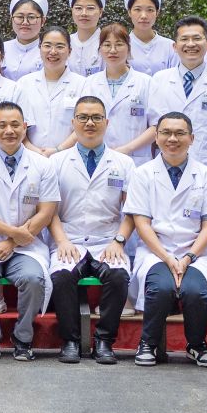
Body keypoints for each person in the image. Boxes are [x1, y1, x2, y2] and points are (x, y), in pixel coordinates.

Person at [123, 111, 207, 368]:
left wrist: (187, 258)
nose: (172, 139)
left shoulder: (206, 175)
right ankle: (148, 343)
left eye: (180, 133)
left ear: (192, 138)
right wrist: (168, 258)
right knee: (160, 288)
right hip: (156, 250)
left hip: (196, 252)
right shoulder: (143, 173)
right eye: (166, 133)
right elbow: (142, 224)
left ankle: (196, 344)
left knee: (195, 291)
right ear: (156, 137)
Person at [0, 101, 58, 361]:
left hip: (28, 245)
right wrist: (12, 234)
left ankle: (23, 338)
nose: (9, 130)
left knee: (33, 278)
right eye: (3, 125)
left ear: (25, 127)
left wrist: (12, 242)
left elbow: (46, 212)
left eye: (15, 124)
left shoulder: (43, 165)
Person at [46, 96, 134, 365]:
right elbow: (49, 211)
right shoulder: (56, 162)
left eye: (96, 117)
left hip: (107, 239)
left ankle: (105, 341)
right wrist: (61, 241)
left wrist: (119, 241)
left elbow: (132, 211)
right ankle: (70, 341)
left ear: (107, 122)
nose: (90, 123)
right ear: (73, 123)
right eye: (83, 117)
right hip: (68, 237)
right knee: (62, 277)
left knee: (118, 277)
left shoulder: (124, 163)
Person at [76, 23, 174, 163]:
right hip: (96, 158)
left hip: (135, 159)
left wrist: (127, 149)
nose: (113, 50)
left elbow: (158, 125)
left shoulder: (146, 83)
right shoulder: (89, 83)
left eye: (119, 44)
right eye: (107, 45)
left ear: (129, 49)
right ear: (100, 50)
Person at [154, 16, 207, 180]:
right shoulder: (159, 79)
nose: (191, 44)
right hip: (165, 163)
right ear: (175, 46)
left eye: (197, 38)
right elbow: (152, 126)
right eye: (184, 39)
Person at [16, 24, 87, 152]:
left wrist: (58, 150)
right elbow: (16, 123)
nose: (53, 52)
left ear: (70, 51)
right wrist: (34, 151)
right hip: (30, 155)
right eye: (47, 46)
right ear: (40, 48)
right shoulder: (24, 83)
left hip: (70, 156)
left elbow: (84, 124)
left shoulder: (82, 84)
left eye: (60, 46)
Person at [123, 0, 176, 76]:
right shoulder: (122, 45)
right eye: (137, 9)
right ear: (129, 12)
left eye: (150, 10)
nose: (144, 16)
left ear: (157, 12)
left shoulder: (170, 46)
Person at [1, 0, 48, 80]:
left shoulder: (49, 51)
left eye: (31, 17)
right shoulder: (1, 48)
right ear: (11, 19)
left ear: (43, 21)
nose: (25, 22)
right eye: (20, 17)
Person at [66, 0, 107, 77]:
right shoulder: (65, 42)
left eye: (90, 8)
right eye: (78, 8)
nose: (84, 13)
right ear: (72, 11)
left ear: (100, 12)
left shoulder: (107, 42)